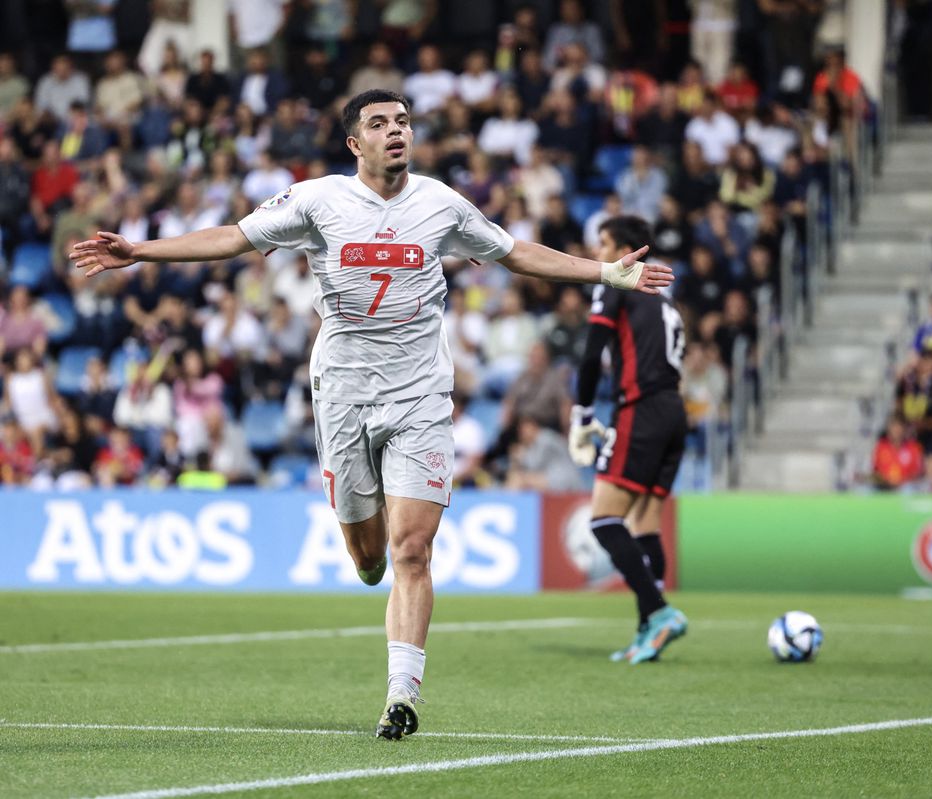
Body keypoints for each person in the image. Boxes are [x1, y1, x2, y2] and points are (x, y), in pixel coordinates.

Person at [68, 89, 672, 740]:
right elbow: (234, 238)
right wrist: (142, 251)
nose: (396, 131)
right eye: (379, 124)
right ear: (355, 143)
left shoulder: (442, 205)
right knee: (370, 559)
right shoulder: (316, 201)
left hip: (420, 394)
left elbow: (515, 251)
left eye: (404, 122)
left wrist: (604, 274)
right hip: (343, 393)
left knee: (413, 547)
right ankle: (362, 530)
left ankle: (401, 694)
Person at [568, 215, 689, 665]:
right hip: (674, 413)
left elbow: (591, 352)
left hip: (641, 411)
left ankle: (658, 613)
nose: (598, 253)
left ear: (623, 248)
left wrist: (582, 413)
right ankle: (648, 632)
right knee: (645, 525)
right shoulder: (666, 300)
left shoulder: (617, 282)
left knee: (603, 521)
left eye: (603, 243)